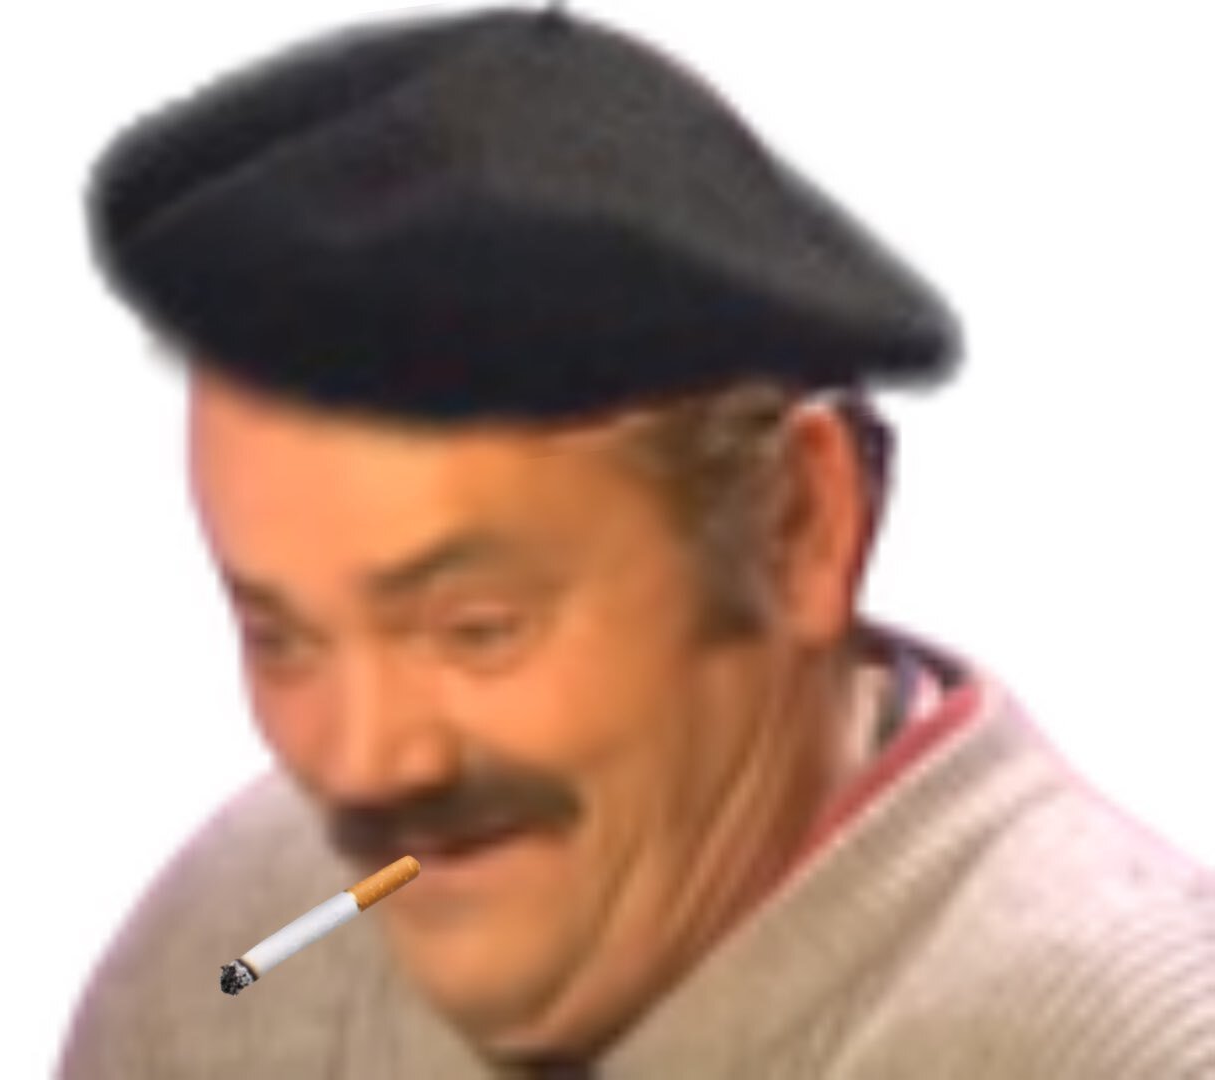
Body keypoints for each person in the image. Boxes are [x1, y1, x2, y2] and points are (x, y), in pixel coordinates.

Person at [59, 6, 1215, 1077]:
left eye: (477, 630)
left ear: (801, 531)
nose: (364, 764)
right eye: (283, 639)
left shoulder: (1128, 1046)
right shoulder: (230, 959)